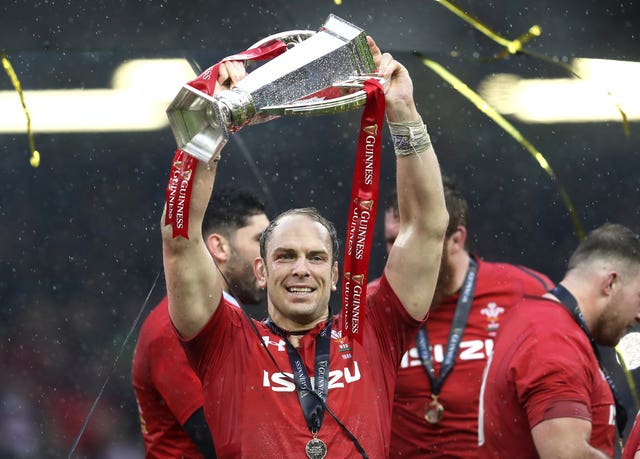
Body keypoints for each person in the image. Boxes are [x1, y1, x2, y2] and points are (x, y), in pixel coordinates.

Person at [161, 36, 449, 458]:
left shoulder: (371, 331)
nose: (301, 268)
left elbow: (426, 226)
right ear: (260, 271)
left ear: (335, 275)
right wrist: (212, 126)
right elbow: (180, 240)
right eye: (285, 256)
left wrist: (404, 114)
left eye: (316, 258)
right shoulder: (227, 341)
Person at [378, 177, 554, 458]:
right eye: (391, 241)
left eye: (414, 242)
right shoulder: (370, 305)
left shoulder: (525, 291)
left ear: (456, 240)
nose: (400, 256)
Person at [479, 223, 640, 458]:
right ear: (611, 283)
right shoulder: (554, 340)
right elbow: (567, 455)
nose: (639, 315)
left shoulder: (535, 321)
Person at [133, 187, 269, 458]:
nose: (269, 253)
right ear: (220, 247)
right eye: (260, 240)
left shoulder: (227, 316)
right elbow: (221, 440)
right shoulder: (171, 330)